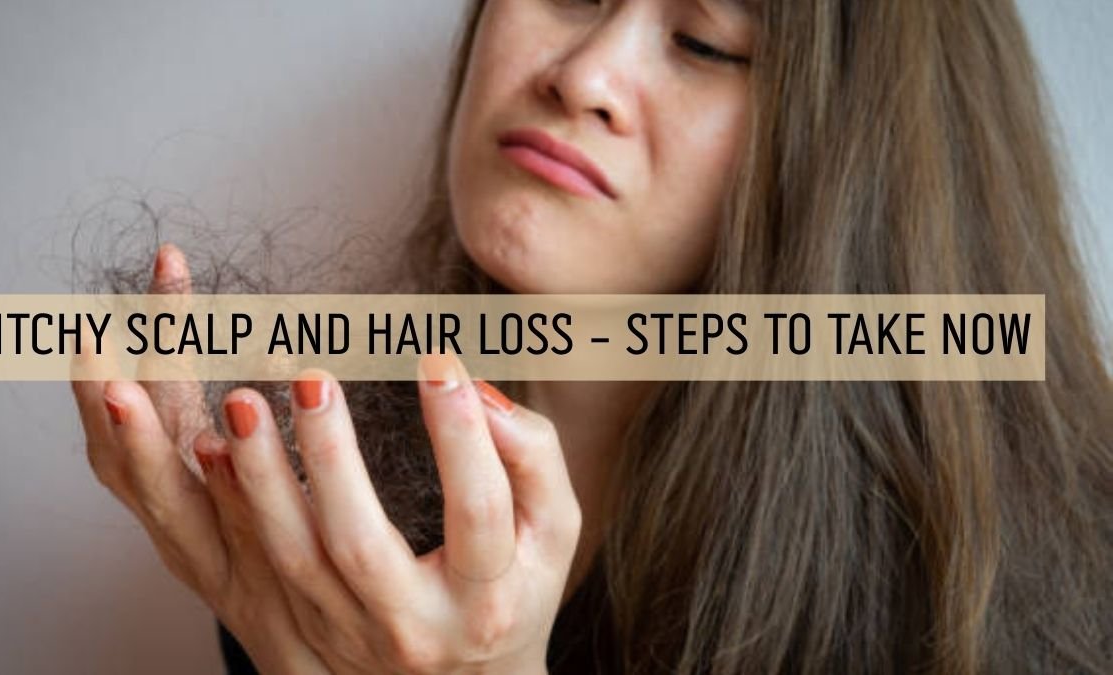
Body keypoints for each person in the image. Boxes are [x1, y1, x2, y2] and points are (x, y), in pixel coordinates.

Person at [70, 0, 1113, 673]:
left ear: (852, 165)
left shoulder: (1012, 602)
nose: (586, 75)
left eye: (707, 41)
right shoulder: (325, 508)